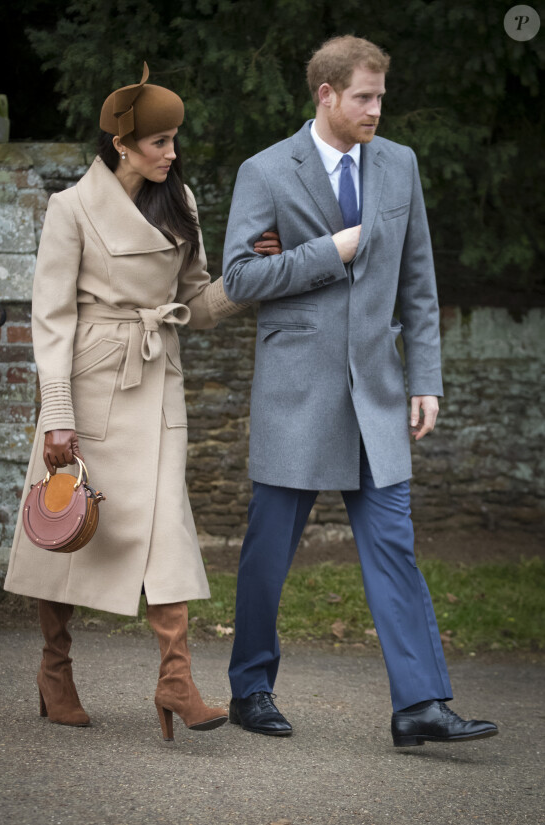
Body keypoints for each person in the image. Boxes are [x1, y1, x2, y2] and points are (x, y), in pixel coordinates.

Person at [222, 36, 498, 746]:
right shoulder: (265, 171)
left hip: (377, 391)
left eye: (382, 96)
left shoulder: (401, 165)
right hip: (296, 394)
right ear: (326, 94)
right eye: (364, 97)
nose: (377, 108)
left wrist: (426, 377)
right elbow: (241, 279)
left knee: (394, 545)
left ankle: (421, 704)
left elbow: (419, 281)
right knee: (267, 552)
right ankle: (251, 687)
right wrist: (332, 250)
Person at [4, 63, 279, 741]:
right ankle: (55, 667)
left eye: (174, 139)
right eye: (160, 141)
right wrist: (58, 413)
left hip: (157, 381)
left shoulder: (178, 205)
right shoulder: (69, 209)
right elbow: (51, 318)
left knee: (167, 526)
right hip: (91, 384)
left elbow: (200, 305)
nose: (172, 152)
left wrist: (255, 273)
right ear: (122, 144)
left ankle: (176, 677)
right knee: (68, 528)